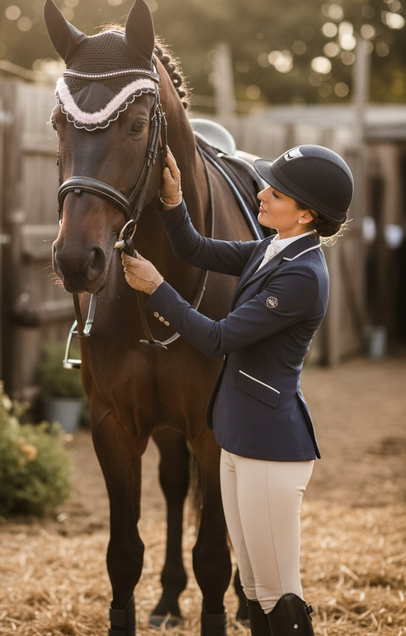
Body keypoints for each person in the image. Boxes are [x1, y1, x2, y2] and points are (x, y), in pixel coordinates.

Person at [121, 144, 354, 636]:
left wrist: (158, 289)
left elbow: (217, 338)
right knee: (250, 587)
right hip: (236, 436)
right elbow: (194, 248)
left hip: (270, 447)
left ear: (306, 215)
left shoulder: (301, 276)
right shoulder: (274, 249)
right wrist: (173, 199)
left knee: (278, 596)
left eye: (277, 191)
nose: (261, 193)